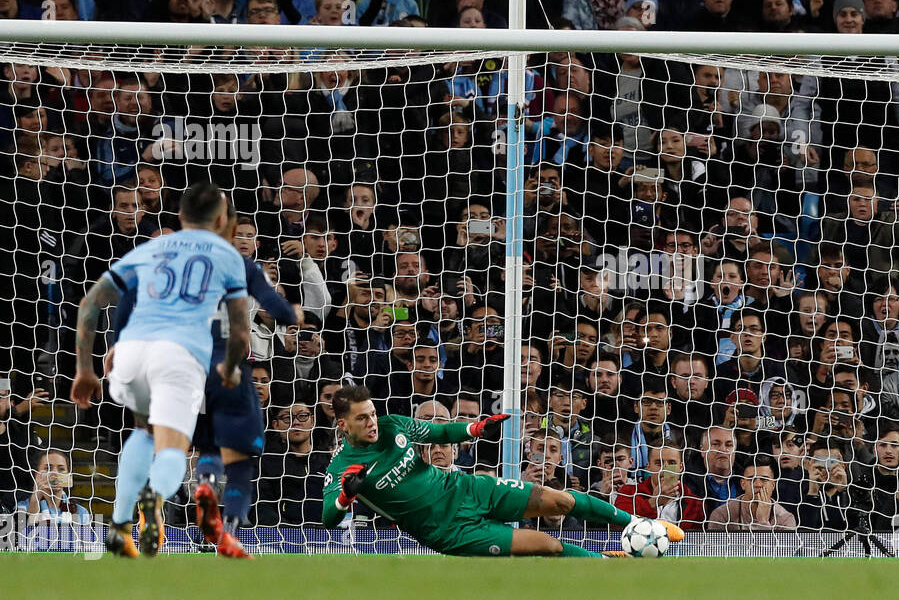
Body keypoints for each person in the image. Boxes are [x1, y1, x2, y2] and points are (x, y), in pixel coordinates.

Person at [109, 200, 304, 558]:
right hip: (225, 368)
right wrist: (294, 312)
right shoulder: (238, 266)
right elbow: (275, 310)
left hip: (176, 367)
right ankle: (222, 523)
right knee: (231, 453)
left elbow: (127, 298)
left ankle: (146, 502)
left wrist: (116, 344)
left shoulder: (171, 266)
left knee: (170, 443)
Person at [71, 183, 250, 558]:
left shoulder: (148, 249)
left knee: (142, 430)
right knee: (174, 446)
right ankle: (153, 498)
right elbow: (240, 333)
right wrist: (231, 369)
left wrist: (84, 370)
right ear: (221, 220)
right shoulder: (226, 255)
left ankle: (120, 527)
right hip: (178, 356)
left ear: (181, 217)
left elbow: (90, 302)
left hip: (130, 353)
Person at [322, 385, 685, 556]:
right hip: (446, 529)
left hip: (464, 488)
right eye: (362, 418)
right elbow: (326, 516)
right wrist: (345, 495)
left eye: (371, 412)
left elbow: (439, 432)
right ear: (342, 424)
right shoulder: (342, 467)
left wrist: (475, 429)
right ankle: (608, 565)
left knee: (558, 501)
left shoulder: (392, 426)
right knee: (547, 544)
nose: (371, 422)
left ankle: (638, 525)